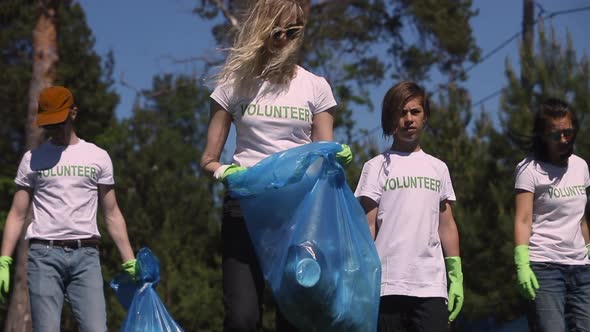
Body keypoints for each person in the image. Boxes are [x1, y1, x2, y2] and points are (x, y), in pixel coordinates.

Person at [200, 1, 350, 331]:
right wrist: (224, 171)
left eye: (293, 31)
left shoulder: (316, 86)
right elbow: (208, 159)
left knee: (296, 316)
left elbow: (323, 154)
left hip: (297, 215)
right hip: (246, 208)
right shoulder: (234, 83)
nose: (284, 38)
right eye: (277, 30)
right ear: (263, 30)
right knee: (242, 318)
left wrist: (335, 157)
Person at [0, 86, 137, 331]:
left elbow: (112, 213)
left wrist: (129, 261)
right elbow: (17, 213)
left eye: (59, 121)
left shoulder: (97, 157)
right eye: (49, 124)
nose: (55, 129)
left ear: (73, 113)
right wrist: (4, 260)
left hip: (86, 257)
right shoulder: (32, 159)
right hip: (44, 256)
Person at [354, 81, 464, 331]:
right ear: (390, 119)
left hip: (431, 287)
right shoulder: (374, 167)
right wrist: (360, 277)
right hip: (386, 286)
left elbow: (446, 225)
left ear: (425, 117)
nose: (408, 119)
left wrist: (456, 274)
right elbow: (368, 226)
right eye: (401, 113)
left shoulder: (438, 168)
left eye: (415, 112)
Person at [513, 98, 590, 331]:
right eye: (556, 135)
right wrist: (521, 263)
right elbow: (523, 219)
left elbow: (581, 218)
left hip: (581, 267)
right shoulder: (529, 170)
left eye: (568, 132)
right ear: (542, 136)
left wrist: (588, 249)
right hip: (545, 267)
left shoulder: (581, 167)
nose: (564, 140)